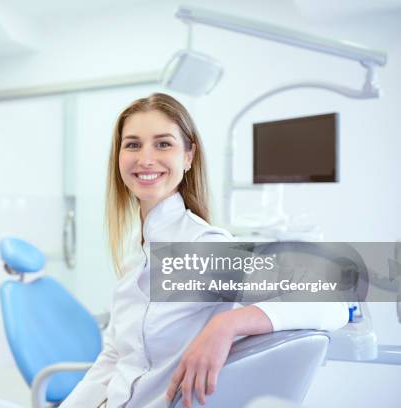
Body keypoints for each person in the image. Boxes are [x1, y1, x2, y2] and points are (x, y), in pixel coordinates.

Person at [60, 93, 348, 408]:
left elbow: (331, 300)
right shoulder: (137, 249)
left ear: (188, 156)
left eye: (163, 143)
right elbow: (115, 355)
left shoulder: (199, 248)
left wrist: (226, 325)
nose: (145, 158)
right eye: (132, 144)